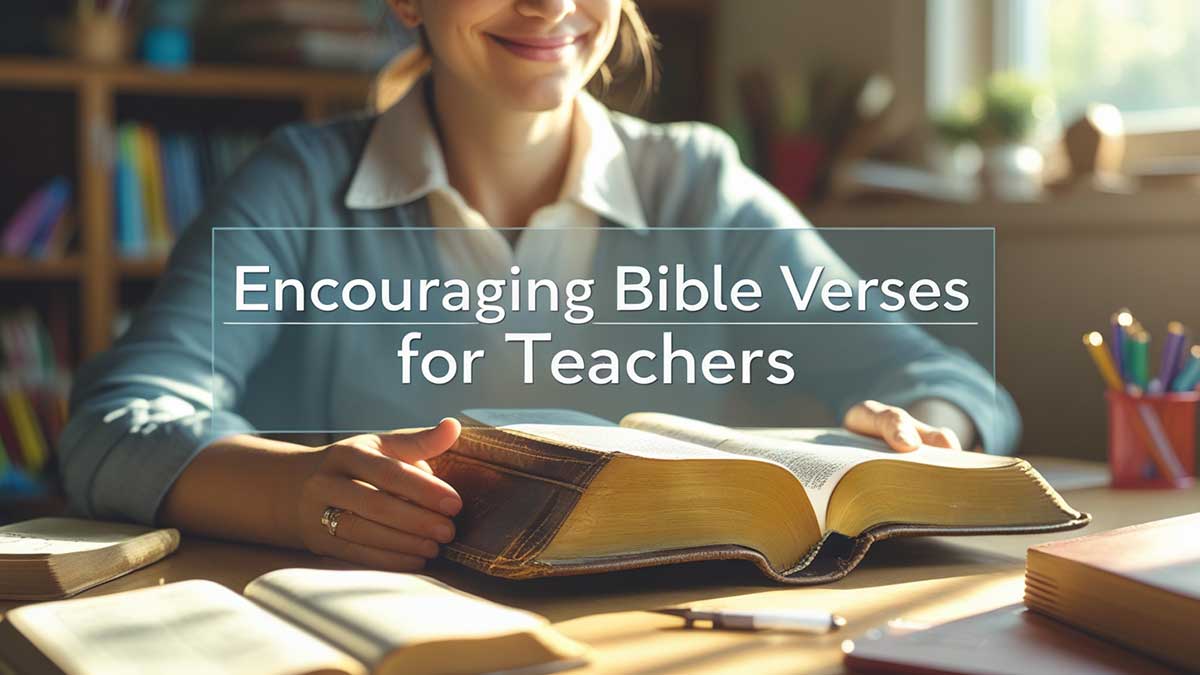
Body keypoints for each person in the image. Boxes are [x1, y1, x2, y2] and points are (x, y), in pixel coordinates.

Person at [58, 0, 1019, 572]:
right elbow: (114, 423)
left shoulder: (699, 181)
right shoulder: (296, 183)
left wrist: (926, 430)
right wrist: (289, 489)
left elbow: (952, 383)